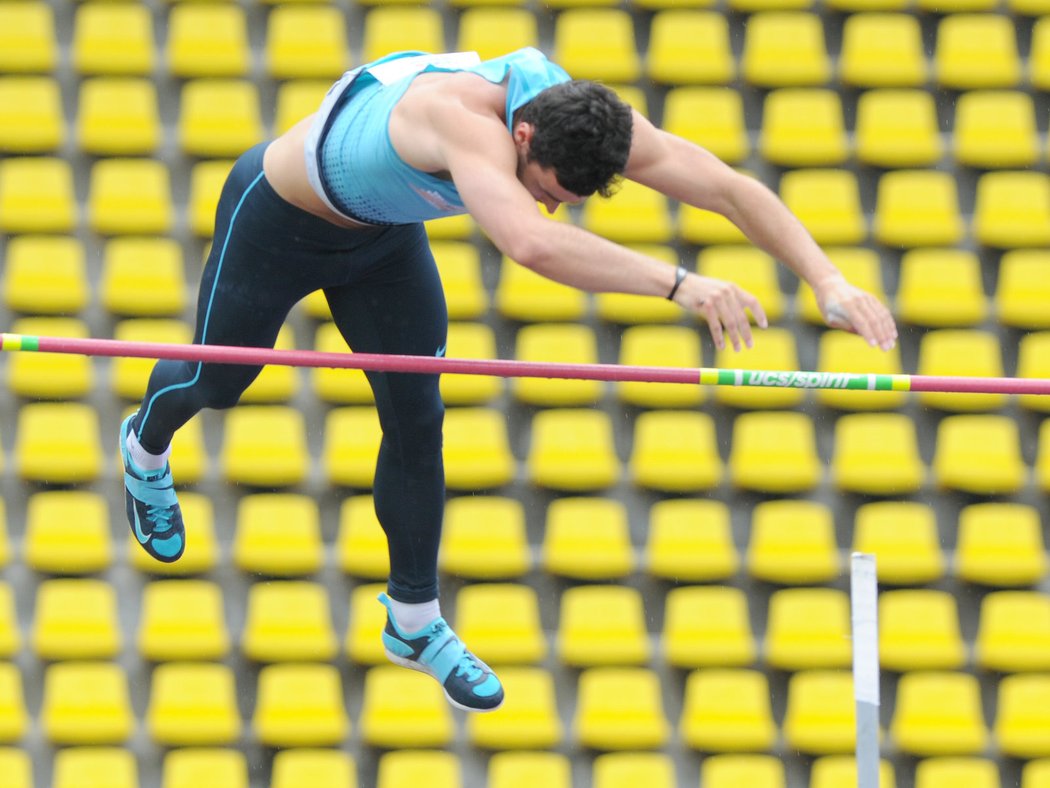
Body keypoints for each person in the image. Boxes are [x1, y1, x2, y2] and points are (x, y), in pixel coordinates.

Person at [119, 47, 898, 713]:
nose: (552, 206)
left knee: (418, 418)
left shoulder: (581, 120)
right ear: (520, 136)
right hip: (281, 218)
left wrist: (825, 280)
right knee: (218, 382)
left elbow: (727, 188)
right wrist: (680, 285)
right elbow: (530, 246)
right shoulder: (458, 116)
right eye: (550, 188)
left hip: (384, 238)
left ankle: (414, 621)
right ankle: (145, 450)